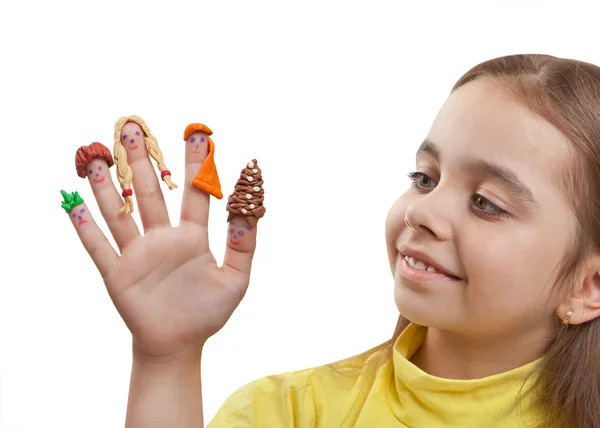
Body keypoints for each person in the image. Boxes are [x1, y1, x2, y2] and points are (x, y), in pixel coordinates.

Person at [66, 53, 600, 428]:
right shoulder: (292, 413)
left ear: (588, 285)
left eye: (486, 202)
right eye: (425, 177)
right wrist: (167, 363)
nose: (422, 210)